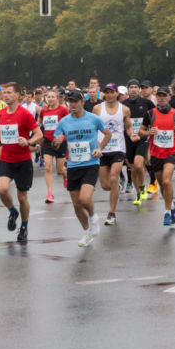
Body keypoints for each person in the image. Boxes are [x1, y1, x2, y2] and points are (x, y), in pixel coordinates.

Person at [52, 90, 110, 247]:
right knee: (77, 204)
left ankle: (93, 217)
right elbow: (55, 143)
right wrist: (56, 142)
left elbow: (108, 133)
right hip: (73, 166)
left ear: (82, 102)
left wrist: (100, 149)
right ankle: (86, 232)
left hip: (90, 164)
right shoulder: (64, 122)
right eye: (70, 102)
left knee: (84, 199)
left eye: (75, 101)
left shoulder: (93, 119)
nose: (72, 105)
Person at [0, 82, 42, 244]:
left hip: (23, 161)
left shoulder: (25, 114)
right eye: (4, 93)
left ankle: (24, 227)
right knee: (3, 189)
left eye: (9, 93)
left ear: (18, 95)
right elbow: (0, 131)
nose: (5, 95)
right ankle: (13, 212)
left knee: (22, 197)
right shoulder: (1, 113)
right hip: (6, 158)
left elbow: (38, 133)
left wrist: (28, 141)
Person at [140, 85, 175, 226]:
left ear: (169, 97)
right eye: (159, 96)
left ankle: (167, 212)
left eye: (164, 96)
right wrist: (148, 133)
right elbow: (141, 131)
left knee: (166, 181)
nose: (161, 98)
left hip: (171, 152)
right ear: (156, 97)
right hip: (156, 154)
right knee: (162, 186)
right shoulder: (150, 113)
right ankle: (172, 204)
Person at [93, 83, 130, 225]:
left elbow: (128, 127)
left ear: (117, 94)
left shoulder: (125, 109)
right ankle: (117, 188)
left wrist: (132, 134)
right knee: (105, 185)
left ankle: (112, 213)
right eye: (106, 92)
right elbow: (93, 126)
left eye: (112, 92)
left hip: (118, 148)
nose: (109, 95)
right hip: (102, 150)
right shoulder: (97, 108)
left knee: (114, 177)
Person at [38, 89, 69, 204]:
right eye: (48, 97)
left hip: (60, 142)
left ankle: (65, 176)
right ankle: (50, 194)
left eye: (52, 97)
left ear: (57, 98)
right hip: (47, 142)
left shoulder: (63, 110)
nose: (50, 99)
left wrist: (63, 137)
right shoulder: (43, 111)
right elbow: (40, 122)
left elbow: (69, 124)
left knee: (60, 170)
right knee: (48, 167)